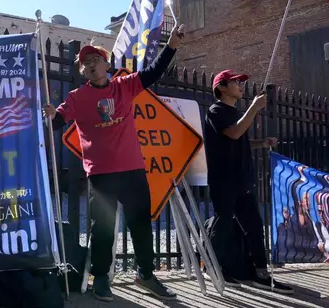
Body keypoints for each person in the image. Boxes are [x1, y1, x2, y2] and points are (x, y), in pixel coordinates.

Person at [43, 24, 186, 302]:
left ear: (106, 64)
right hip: (102, 174)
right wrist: (51, 116)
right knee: (103, 229)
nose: (91, 65)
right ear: (82, 71)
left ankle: (146, 274)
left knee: (141, 225)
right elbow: (58, 121)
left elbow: (152, 72)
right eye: (85, 64)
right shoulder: (77, 97)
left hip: (133, 169)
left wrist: (171, 46)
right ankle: (101, 279)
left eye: (95, 60)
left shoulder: (124, 85)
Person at [203, 70, 294, 294]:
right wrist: (254, 108)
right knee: (223, 222)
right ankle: (212, 267)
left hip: (242, 178)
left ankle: (261, 274)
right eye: (235, 82)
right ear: (221, 87)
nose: (240, 85)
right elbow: (233, 133)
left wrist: (261, 142)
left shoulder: (236, 112)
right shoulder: (216, 111)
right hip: (224, 179)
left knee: (254, 226)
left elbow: (239, 138)